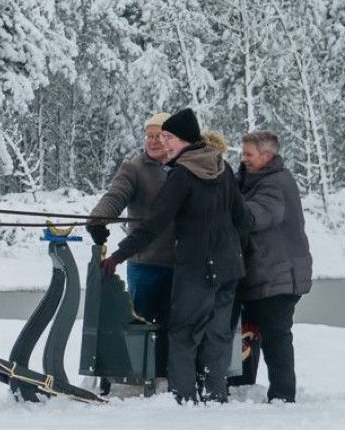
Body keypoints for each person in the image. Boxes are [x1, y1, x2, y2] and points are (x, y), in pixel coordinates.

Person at [101, 108, 249, 404]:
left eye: (168, 137)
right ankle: (214, 395)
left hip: (197, 269)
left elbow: (154, 224)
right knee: (217, 336)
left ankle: (182, 399)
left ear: (183, 140)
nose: (163, 143)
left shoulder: (182, 175)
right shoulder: (222, 167)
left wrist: (117, 256)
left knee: (183, 334)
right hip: (229, 268)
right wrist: (234, 253)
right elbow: (242, 220)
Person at [236, 131, 312, 403]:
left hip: (279, 274)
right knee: (250, 332)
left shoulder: (276, 183)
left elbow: (257, 216)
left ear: (267, 156)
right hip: (261, 273)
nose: (243, 159)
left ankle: (282, 395)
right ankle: (247, 385)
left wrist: (228, 205)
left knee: (275, 335)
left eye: (249, 154)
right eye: (242, 154)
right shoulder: (249, 180)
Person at [87, 112, 176, 323]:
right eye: (149, 136)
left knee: (174, 332)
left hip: (181, 266)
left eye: (159, 136)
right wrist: (98, 219)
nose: (153, 141)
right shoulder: (134, 168)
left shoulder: (184, 168)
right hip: (144, 264)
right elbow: (115, 196)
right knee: (138, 327)